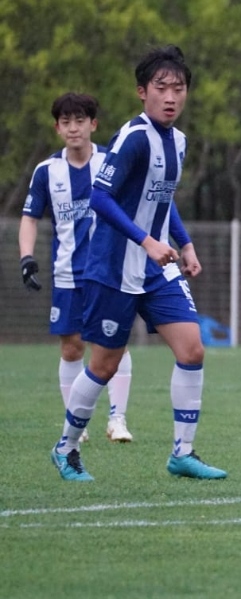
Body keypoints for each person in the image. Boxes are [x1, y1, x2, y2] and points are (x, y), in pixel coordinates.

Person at [50, 45, 226, 482]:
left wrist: (183, 244)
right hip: (112, 265)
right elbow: (100, 197)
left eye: (178, 88)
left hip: (155, 266)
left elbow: (161, 199)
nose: (170, 96)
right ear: (141, 92)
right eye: (161, 88)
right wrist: (147, 241)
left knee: (193, 349)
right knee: (104, 365)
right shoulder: (133, 137)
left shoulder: (179, 141)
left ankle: (182, 454)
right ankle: (66, 448)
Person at [20, 92, 136, 443]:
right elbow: (29, 218)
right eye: (66, 122)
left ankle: (118, 419)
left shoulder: (110, 163)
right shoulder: (46, 172)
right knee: (72, 347)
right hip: (67, 273)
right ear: (57, 128)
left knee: (114, 342)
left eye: (80, 121)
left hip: (108, 270)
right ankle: (77, 421)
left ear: (93, 124)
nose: (74, 128)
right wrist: (26, 258)